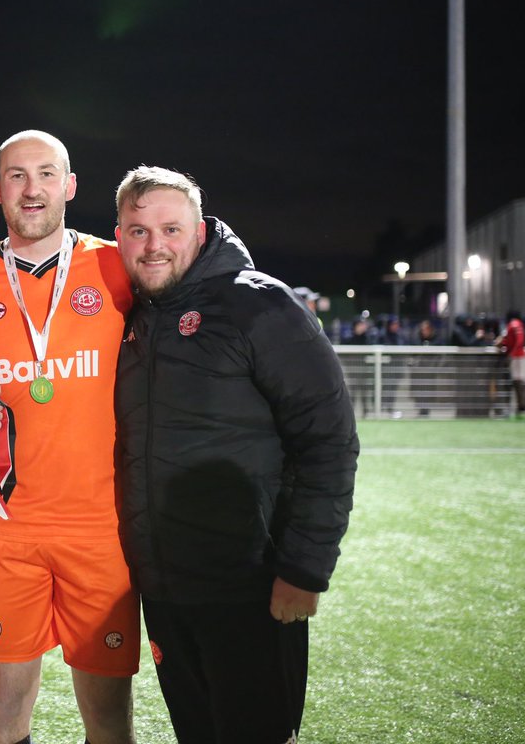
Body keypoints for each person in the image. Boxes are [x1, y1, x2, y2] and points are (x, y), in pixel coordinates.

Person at [113, 165, 358, 744]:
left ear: (200, 232)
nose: (154, 246)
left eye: (171, 230)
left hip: (250, 585)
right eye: (138, 231)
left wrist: (305, 570)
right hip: (165, 589)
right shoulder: (132, 318)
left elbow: (327, 442)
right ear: (119, 235)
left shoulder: (260, 305)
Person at [0, 130, 139, 744]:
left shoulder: (117, 267)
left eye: (46, 174)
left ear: (70, 186)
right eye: (17, 176)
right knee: (3, 713)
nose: (32, 189)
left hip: (103, 526)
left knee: (108, 716)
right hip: (6, 526)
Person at [496, 310, 525, 419]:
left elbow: (519, 341)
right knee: (516, 381)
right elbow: (509, 340)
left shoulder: (514, 324)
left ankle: (522, 408)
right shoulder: (515, 325)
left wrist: (512, 353)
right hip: (516, 355)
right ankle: (519, 408)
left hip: (518, 356)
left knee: (518, 381)